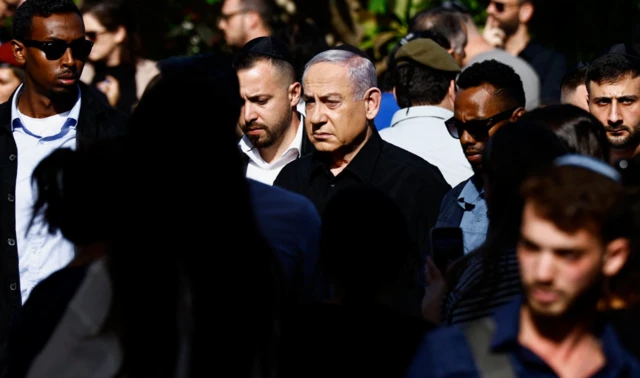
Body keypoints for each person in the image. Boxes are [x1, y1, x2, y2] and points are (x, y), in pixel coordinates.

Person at [408, 156, 640, 377]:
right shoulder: (450, 361)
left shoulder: (628, 359)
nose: (542, 273)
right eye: (531, 247)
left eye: (567, 255)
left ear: (614, 257)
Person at [0, 0, 128, 350]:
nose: (71, 61)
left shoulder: (119, 136)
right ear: (19, 52)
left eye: (81, 47)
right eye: (54, 48)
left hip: (89, 342)